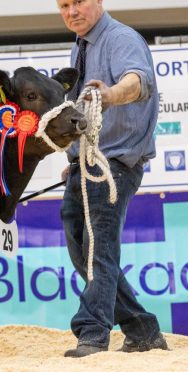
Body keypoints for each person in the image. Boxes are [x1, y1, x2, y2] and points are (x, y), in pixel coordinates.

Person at [56, 0, 168, 357]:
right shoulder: (81, 46)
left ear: (99, 2)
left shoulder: (121, 38)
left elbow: (138, 82)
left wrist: (110, 94)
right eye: (64, 5)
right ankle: (142, 329)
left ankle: (92, 333)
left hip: (114, 164)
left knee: (98, 248)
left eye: (79, 2)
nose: (72, 11)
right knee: (82, 245)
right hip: (85, 163)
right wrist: (74, 157)